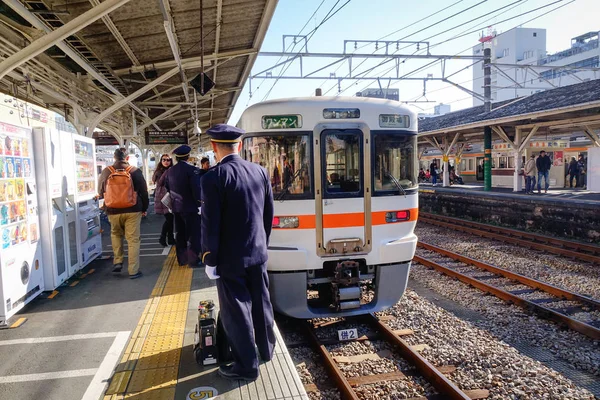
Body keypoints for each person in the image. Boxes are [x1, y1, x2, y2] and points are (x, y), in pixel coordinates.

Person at [200, 124, 275, 381]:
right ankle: (267, 350)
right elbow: (268, 215)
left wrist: (209, 259)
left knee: (237, 311)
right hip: (258, 252)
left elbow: (210, 224)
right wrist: (262, 244)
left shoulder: (212, 178)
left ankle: (246, 366)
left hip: (230, 259)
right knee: (262, 302)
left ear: (214, 147)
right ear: (239, 145)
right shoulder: (260, 172)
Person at [98, 148, 148, 279]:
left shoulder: (107, 171)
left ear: (114, 157)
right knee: (133, 240)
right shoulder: (135, 171)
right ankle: (133, 270)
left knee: (115, 234)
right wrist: (144, 208)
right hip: (133, 209)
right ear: (127, 158)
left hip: (113, 210)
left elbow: (101, 190)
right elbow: (144, 191)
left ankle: (118, 262)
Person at [164, 145, 202, 266]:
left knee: (180, 234)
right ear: (188, 156)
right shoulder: (192, 170)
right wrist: (199, 205)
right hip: (190, 208)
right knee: (193, 234)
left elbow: (167, 187)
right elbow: (196, 189)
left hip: (176, 207)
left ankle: (182, 260)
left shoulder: (170, 171)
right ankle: (193, 260)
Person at [152, 154, 174, 246]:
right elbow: (160, 182)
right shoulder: (159, 172)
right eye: (164, 160)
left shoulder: (172, 170)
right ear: (161, 161)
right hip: (163, 198)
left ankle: (170, 239)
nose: (166, 162)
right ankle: (162, 237)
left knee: (171, 219)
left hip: (170, 197)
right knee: (169, 219)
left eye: (168, 160)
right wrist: (167, 172)